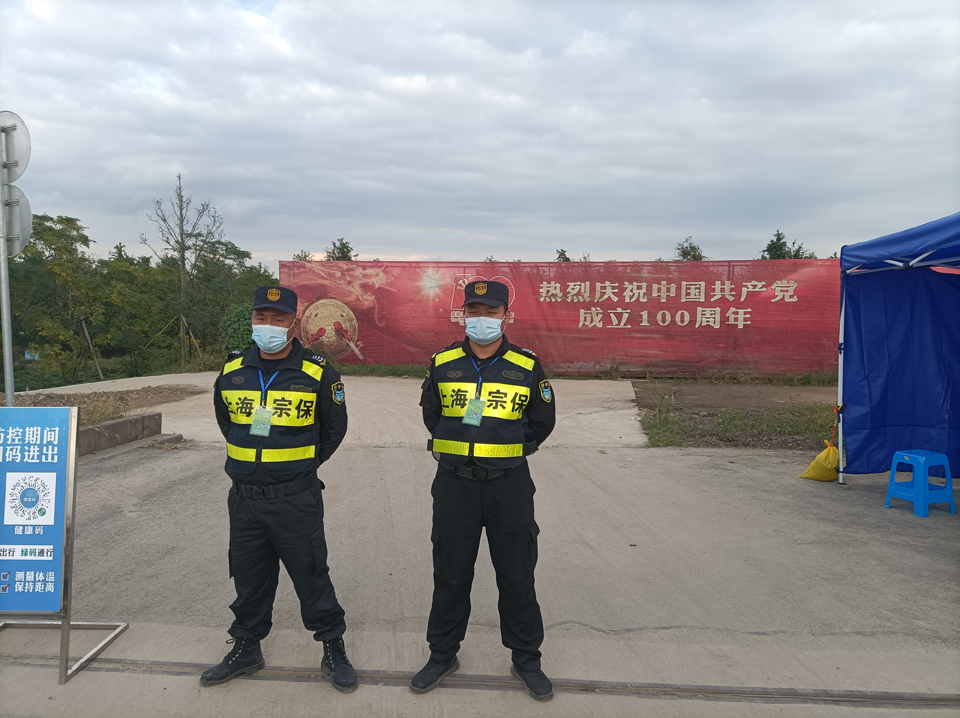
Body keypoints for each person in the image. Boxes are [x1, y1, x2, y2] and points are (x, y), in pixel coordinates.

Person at [201, 285, 358, 693]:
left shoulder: (318, 372)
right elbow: (227, 421)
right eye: (261, 317)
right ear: (253, 319)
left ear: (294, 323)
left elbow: (333, 428)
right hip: (244, 499)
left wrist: (299, 464)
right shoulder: (232, 370)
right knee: (248, 579)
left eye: (278, 318)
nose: (268, 325)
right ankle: (246, 649)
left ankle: (333, 648)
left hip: (295, 498)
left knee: (311, 576)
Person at [412, 280, 557, 701]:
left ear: (506, 316)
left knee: (517, 574)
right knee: (450, 574)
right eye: (473, 310)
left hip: (509, 486)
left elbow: (542, 421)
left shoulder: (527, 366)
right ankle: (442, 655)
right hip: (454, 485)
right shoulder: (442, 363)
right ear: (463, 314)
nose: (481, 319)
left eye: (491, 311)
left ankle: (526, 659)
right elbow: (432, 414)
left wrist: (503, 449)